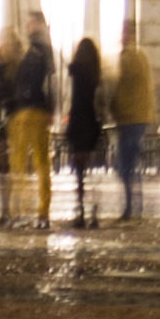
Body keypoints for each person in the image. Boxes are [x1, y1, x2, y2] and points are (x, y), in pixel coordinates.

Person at [0, 14, 60, 226]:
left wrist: (50, 108)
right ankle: (28, 210)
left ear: (39, 24)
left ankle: (30, 211)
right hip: (26, 112)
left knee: (28, 163)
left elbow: (51, 82)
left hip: (32, 111)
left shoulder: (40, 50)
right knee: (27, 163)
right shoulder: (34, 50)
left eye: (31, 22)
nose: (28, 26)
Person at [103, 22, 159, 220]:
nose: (122, 36)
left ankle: (130, 207)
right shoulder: (142, 57)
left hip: (129, 118)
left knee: (124, 165)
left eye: (124, 33)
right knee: (129, 163)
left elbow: (117, 86)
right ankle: (135, 206)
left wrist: (111, 107)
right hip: (139, 117)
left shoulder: (127, 58)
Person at [60, 36, 110, 229]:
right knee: (93, 168)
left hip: (77, 122)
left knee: (79, 172)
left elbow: (68, 97)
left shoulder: (74, 72)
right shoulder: (96, 75)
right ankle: (94, 212)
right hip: (91, 122)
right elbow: (101, 101)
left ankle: (80, 209)